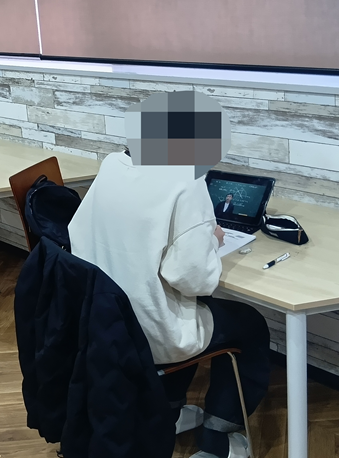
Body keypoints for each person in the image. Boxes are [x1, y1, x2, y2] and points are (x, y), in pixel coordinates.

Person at [68, 91, 269, 458]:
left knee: (191, 308)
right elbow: (193, 279)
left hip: (102, 319)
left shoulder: (112, 165)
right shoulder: (185, 183)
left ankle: (166, 412)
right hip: (151, 329)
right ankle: (218, 438)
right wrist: (211, 240)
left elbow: (80, 232)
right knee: (250, 324)